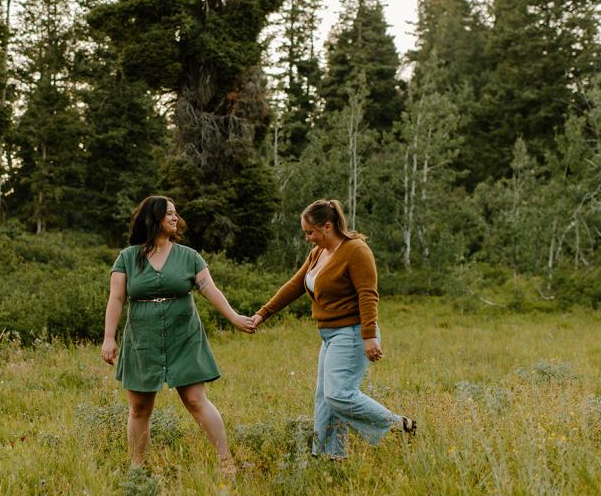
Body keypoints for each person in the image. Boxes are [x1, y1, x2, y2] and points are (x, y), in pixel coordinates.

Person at [251, 199, 415, 459]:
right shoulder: (318, 253)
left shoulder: (355, 251)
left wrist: (370, 336)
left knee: (339, 395)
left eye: (310, 232)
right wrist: (263, 313)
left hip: (352, 333)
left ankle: (396, 425)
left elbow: (368, 294)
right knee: (324, 399)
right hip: (328, 336)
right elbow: (295, 284)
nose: (307, 238)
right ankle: (330, 456)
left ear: (327, 226)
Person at [101, 195, 254, 474]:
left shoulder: (189, 256)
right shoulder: (127, 257)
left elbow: (210, 289)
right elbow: (116, 298)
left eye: (175, 213)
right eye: (168, 213)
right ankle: (137, 468)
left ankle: (225, 461)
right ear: (153, 218)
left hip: (184, 335)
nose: (175, 218)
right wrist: (109, 338)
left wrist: (234, 318)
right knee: (139, 408)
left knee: (196, 400)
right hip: (142, 338)